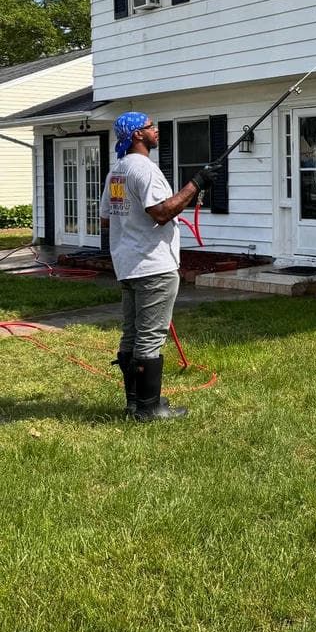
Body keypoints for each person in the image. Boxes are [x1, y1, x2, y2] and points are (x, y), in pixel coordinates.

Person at [99, 112, 218, 422]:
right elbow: (162, 212)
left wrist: (130, 237)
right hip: (153, 266)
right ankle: (149, 409)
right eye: (150, 126)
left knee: (131, 335)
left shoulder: (117, 172)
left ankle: (134, 402)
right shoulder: (144, 170)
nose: (156, 131)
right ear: (138, 135)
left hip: (127, 265)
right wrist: (197, 183)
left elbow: (105, 219)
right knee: (150, 337)